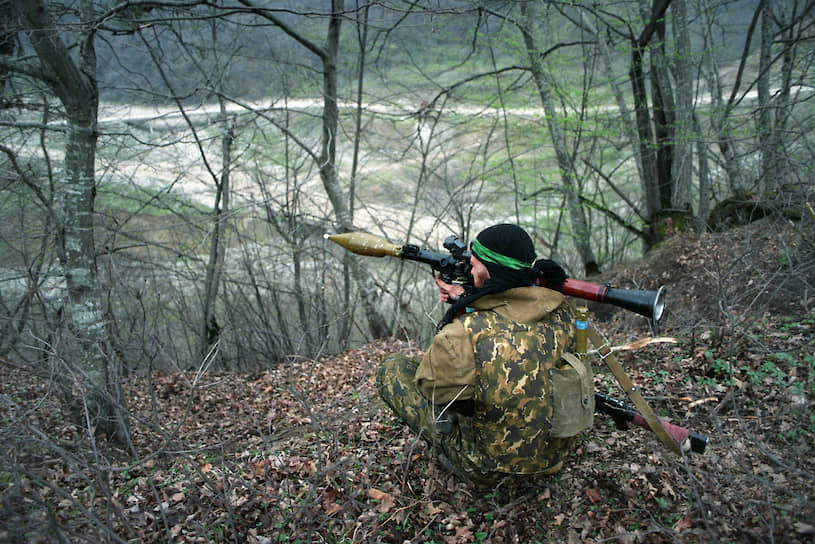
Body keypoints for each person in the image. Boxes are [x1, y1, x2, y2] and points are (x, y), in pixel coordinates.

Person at [376, 223, 590, 488]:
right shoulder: (564, 311)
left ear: (489, 275)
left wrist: (462, 312)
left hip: (491, 468)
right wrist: (470, 298)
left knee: (393, 368)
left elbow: (436, 392)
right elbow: (511, 314)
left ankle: (463, 462)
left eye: (474, 265)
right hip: (555, 456)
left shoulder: (464, 333)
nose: (471, 270)